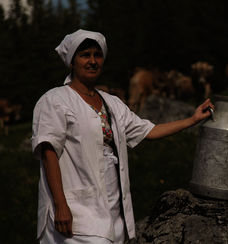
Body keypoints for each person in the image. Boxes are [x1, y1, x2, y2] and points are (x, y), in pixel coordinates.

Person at [31, 29, 214, 244]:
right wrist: (60, 204)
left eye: (97, 55)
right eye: (85, 55)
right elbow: (48, 150)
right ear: (72, 61)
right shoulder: (55, 100)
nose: (92, 61)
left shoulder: (112, 103)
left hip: (112, 211)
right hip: (75, 211)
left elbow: (149, 131)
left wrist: (192, 120)